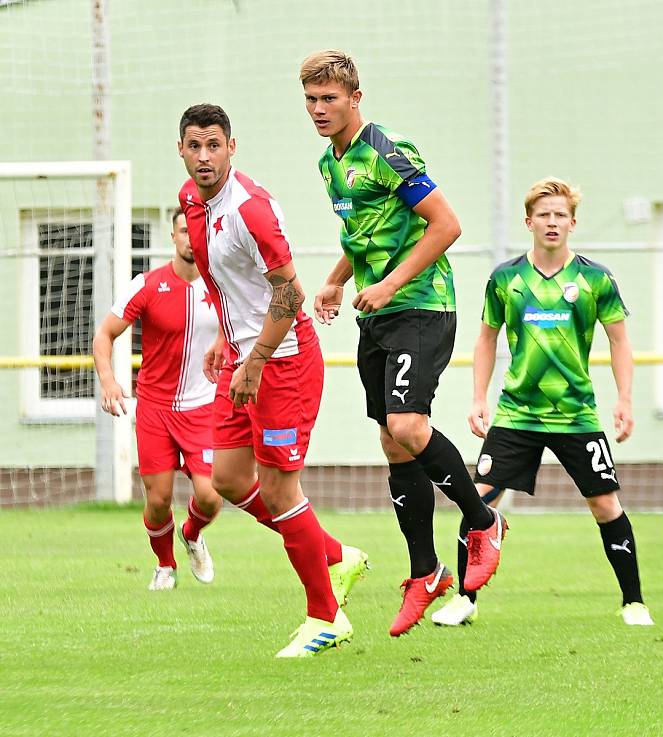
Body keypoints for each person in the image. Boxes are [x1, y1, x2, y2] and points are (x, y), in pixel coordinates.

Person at [300, 49, 508, 637]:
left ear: (355, 98)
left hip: (421, 305)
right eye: (311, 100)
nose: (319, 110)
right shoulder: (329, 163)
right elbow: (365, 231)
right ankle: (427, 571)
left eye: (329, 99)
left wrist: (391, 283)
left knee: (410, 426)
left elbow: (447, 224)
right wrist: (337, 282)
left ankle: (482, 521)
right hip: (378, 315)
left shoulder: (387, 150)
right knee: (394, 442)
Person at [177, 103, 366, 658]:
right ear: (181, 150)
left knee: (282, 488)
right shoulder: (192, 201)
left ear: (233, 148)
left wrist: (254, 360)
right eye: (195, 145)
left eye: (215, 145)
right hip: (243, 354)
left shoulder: (250, 209)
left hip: (281, 361)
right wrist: (225, 339)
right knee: (230, 481)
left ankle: (326, 616)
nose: (205, 156)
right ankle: (335, 555)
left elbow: (288, 294)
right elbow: (228, 282)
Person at [431, 177, 654, 627]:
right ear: (528, 221)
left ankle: (634, 602)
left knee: (605, 504)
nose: (552, 222)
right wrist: (478, 397)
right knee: (480, 500)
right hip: (518, 413)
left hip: (576, 414)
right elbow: (486, 340)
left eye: (560, 215)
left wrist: (625, 400)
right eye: (544, 215)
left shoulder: (595, 279)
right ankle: (465, 599)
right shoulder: (506, 279)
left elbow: (619, 341)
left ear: (573, 222)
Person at [93, 208, 223, 591]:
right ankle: (165, 565)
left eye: (194, 231)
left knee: (211, 496)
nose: (189, 238)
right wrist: (109, 381)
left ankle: (193, 533)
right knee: (158, 498)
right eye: (183, 231)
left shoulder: (222, 287)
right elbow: (104, 335)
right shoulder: (147, 285)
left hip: (203, 408)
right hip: (155, 409)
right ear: (173, 236)